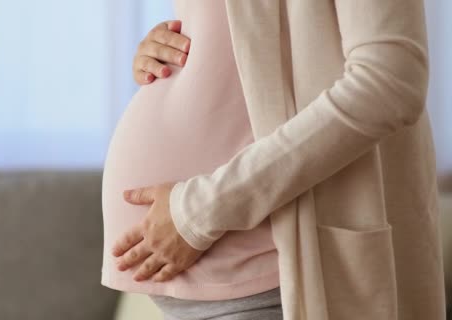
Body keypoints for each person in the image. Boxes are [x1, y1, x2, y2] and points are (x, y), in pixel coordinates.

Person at [101, 0, 447, 319]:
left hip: (276, 270)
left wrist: (201, 210)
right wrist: (169, 46)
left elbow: (389, 81)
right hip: (216, 281)